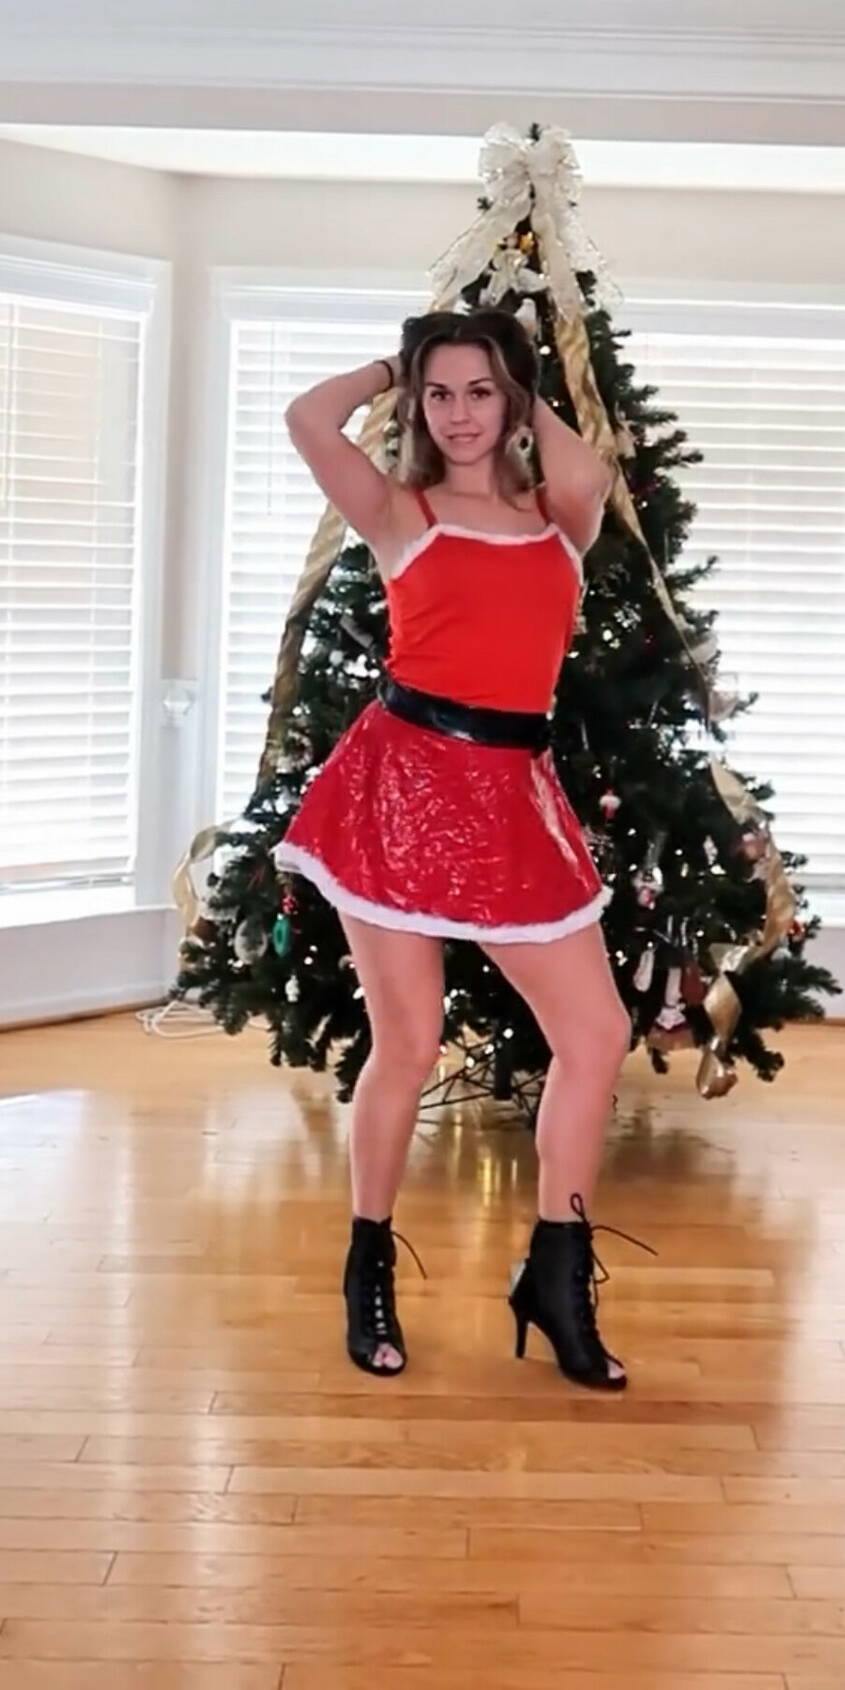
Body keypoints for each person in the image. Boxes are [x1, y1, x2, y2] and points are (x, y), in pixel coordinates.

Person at [273, 306, 635, 1390]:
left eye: (480, 393)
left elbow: (593, 472)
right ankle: (368, 1268)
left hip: (512, 795)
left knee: (596, 1035)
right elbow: (308, 417)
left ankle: (556, 1274)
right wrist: (398, 362)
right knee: (410, 1044)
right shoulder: (400, 511)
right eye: (441, 395)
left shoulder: (557, 519)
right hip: (399, 791)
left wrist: (518, 379)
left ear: (512, 401)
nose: (459, 414)